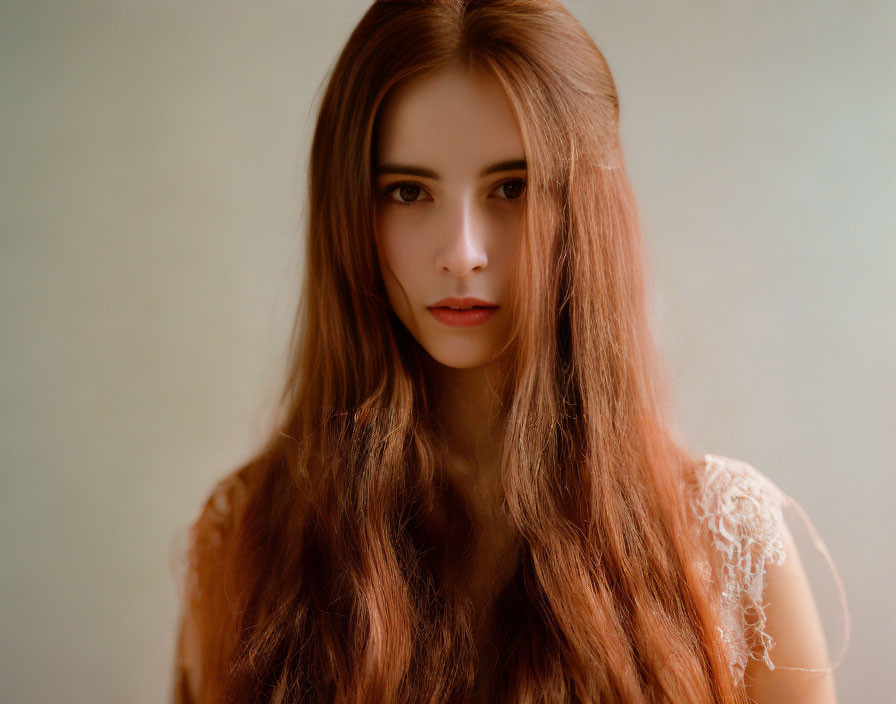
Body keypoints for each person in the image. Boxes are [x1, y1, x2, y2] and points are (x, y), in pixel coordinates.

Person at [170, 1, 848, 702]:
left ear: (585, 207)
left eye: (511, 188)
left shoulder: (729, 542)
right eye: (408, 192)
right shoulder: (246, 536)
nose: (462, 254)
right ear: (347, 213)